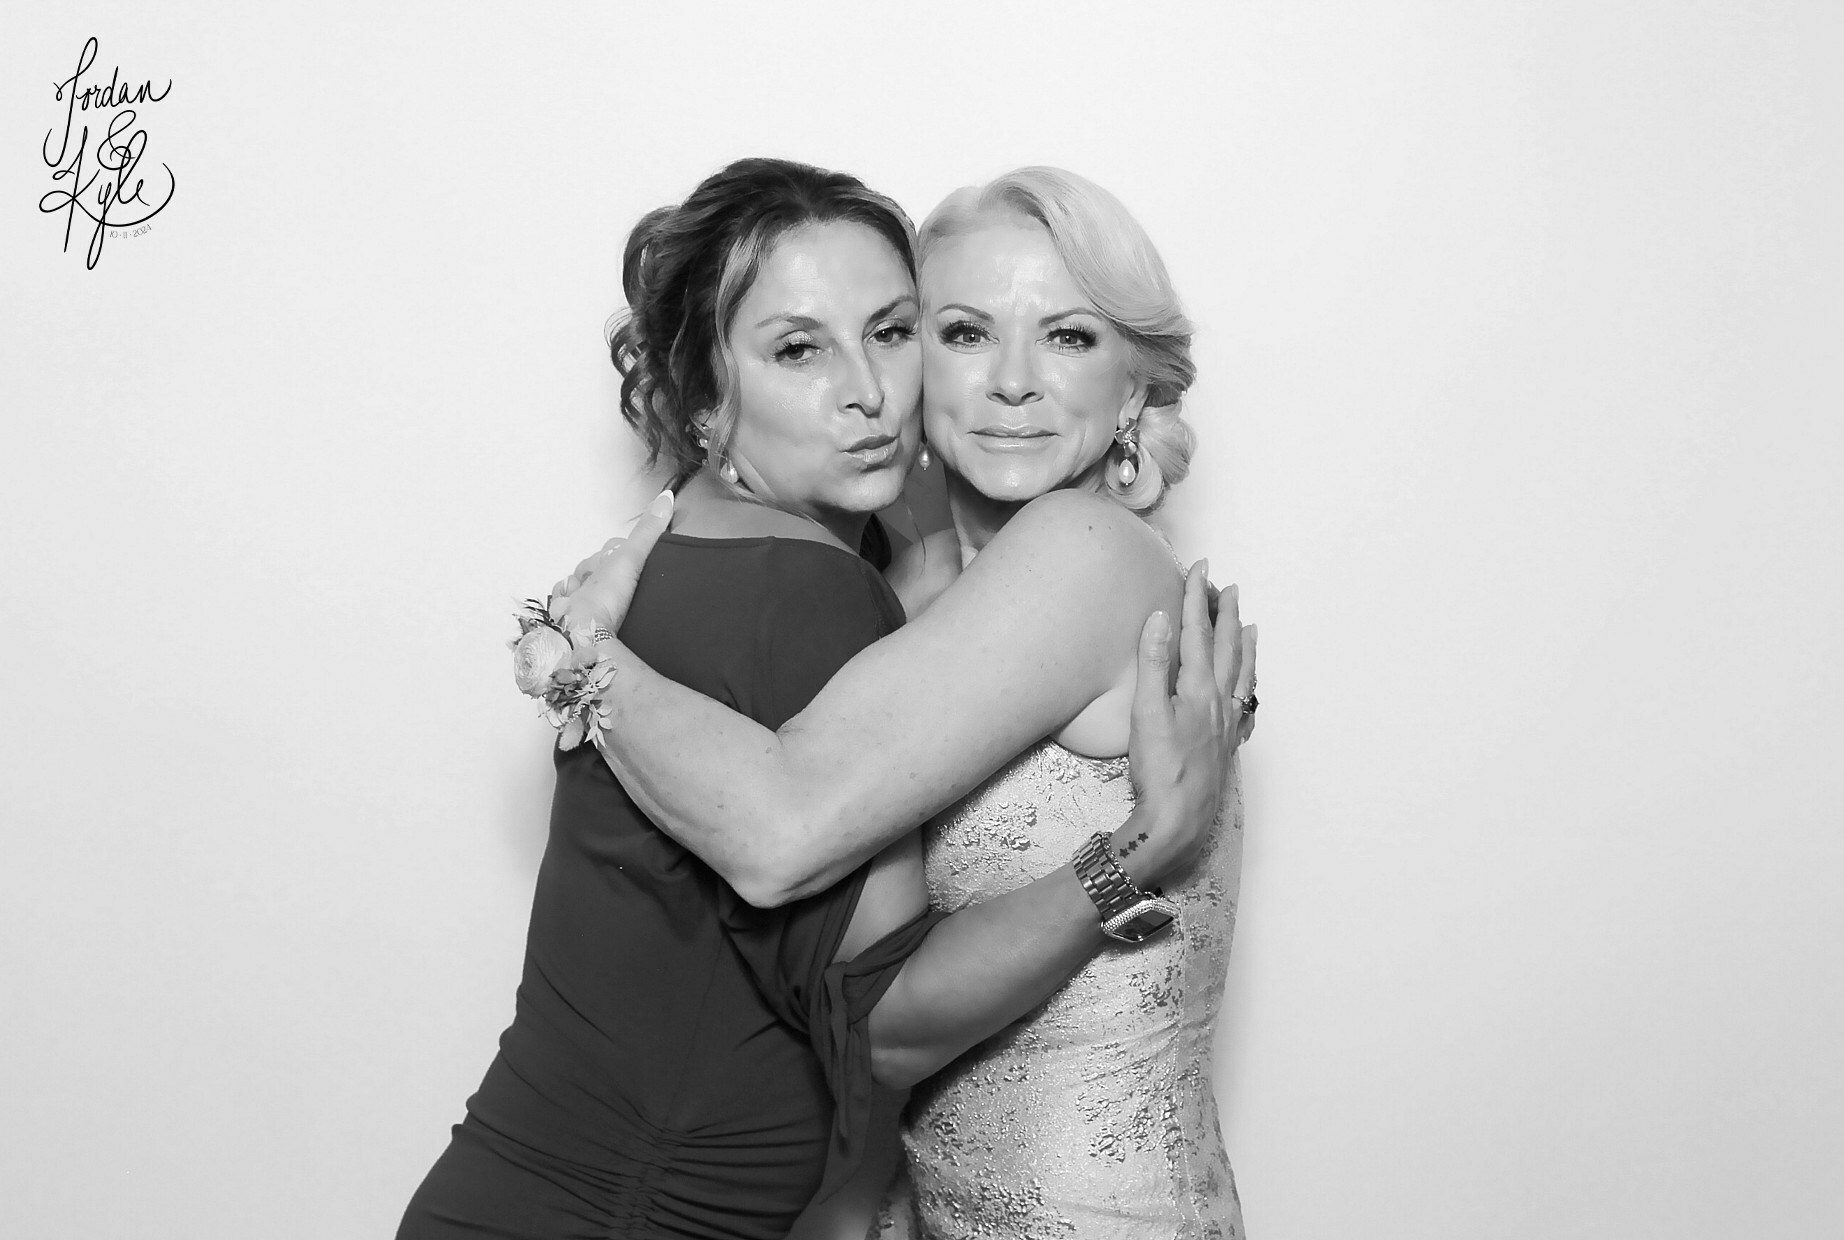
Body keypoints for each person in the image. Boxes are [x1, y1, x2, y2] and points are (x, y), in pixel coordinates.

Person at [397, 159, 1246, 1240]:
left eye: (1069, 336)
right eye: (962, 332)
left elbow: (791, 855)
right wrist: (571, 651)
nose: (1012, 383)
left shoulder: (1078, 552)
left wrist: (575, 653)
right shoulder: (882, 589)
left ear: (1134, 385)